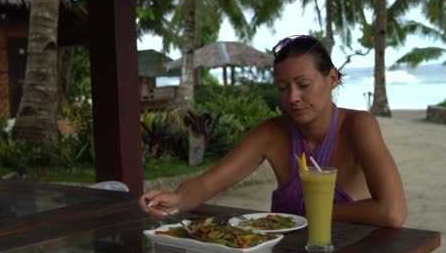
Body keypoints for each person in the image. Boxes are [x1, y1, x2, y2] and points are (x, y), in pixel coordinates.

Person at [139, 35, 407, 228]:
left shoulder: (358, 126)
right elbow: (208, 183)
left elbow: (392, 212)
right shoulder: (272, 132)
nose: (292, 97)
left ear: (332, 79)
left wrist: (317, 211)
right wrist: (178, 198)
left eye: (304, 84)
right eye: (282, 87)